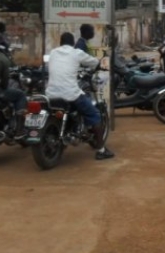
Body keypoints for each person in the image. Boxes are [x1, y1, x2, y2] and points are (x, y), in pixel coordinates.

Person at [46, 32, 114, 160]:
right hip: (70, 94)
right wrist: (99, 65)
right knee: (94, 115)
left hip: (51, 94)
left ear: (60, 42)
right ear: (72, 43)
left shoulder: (53, 52)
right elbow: (94, 62)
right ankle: (101, 149)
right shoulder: (76, 53)